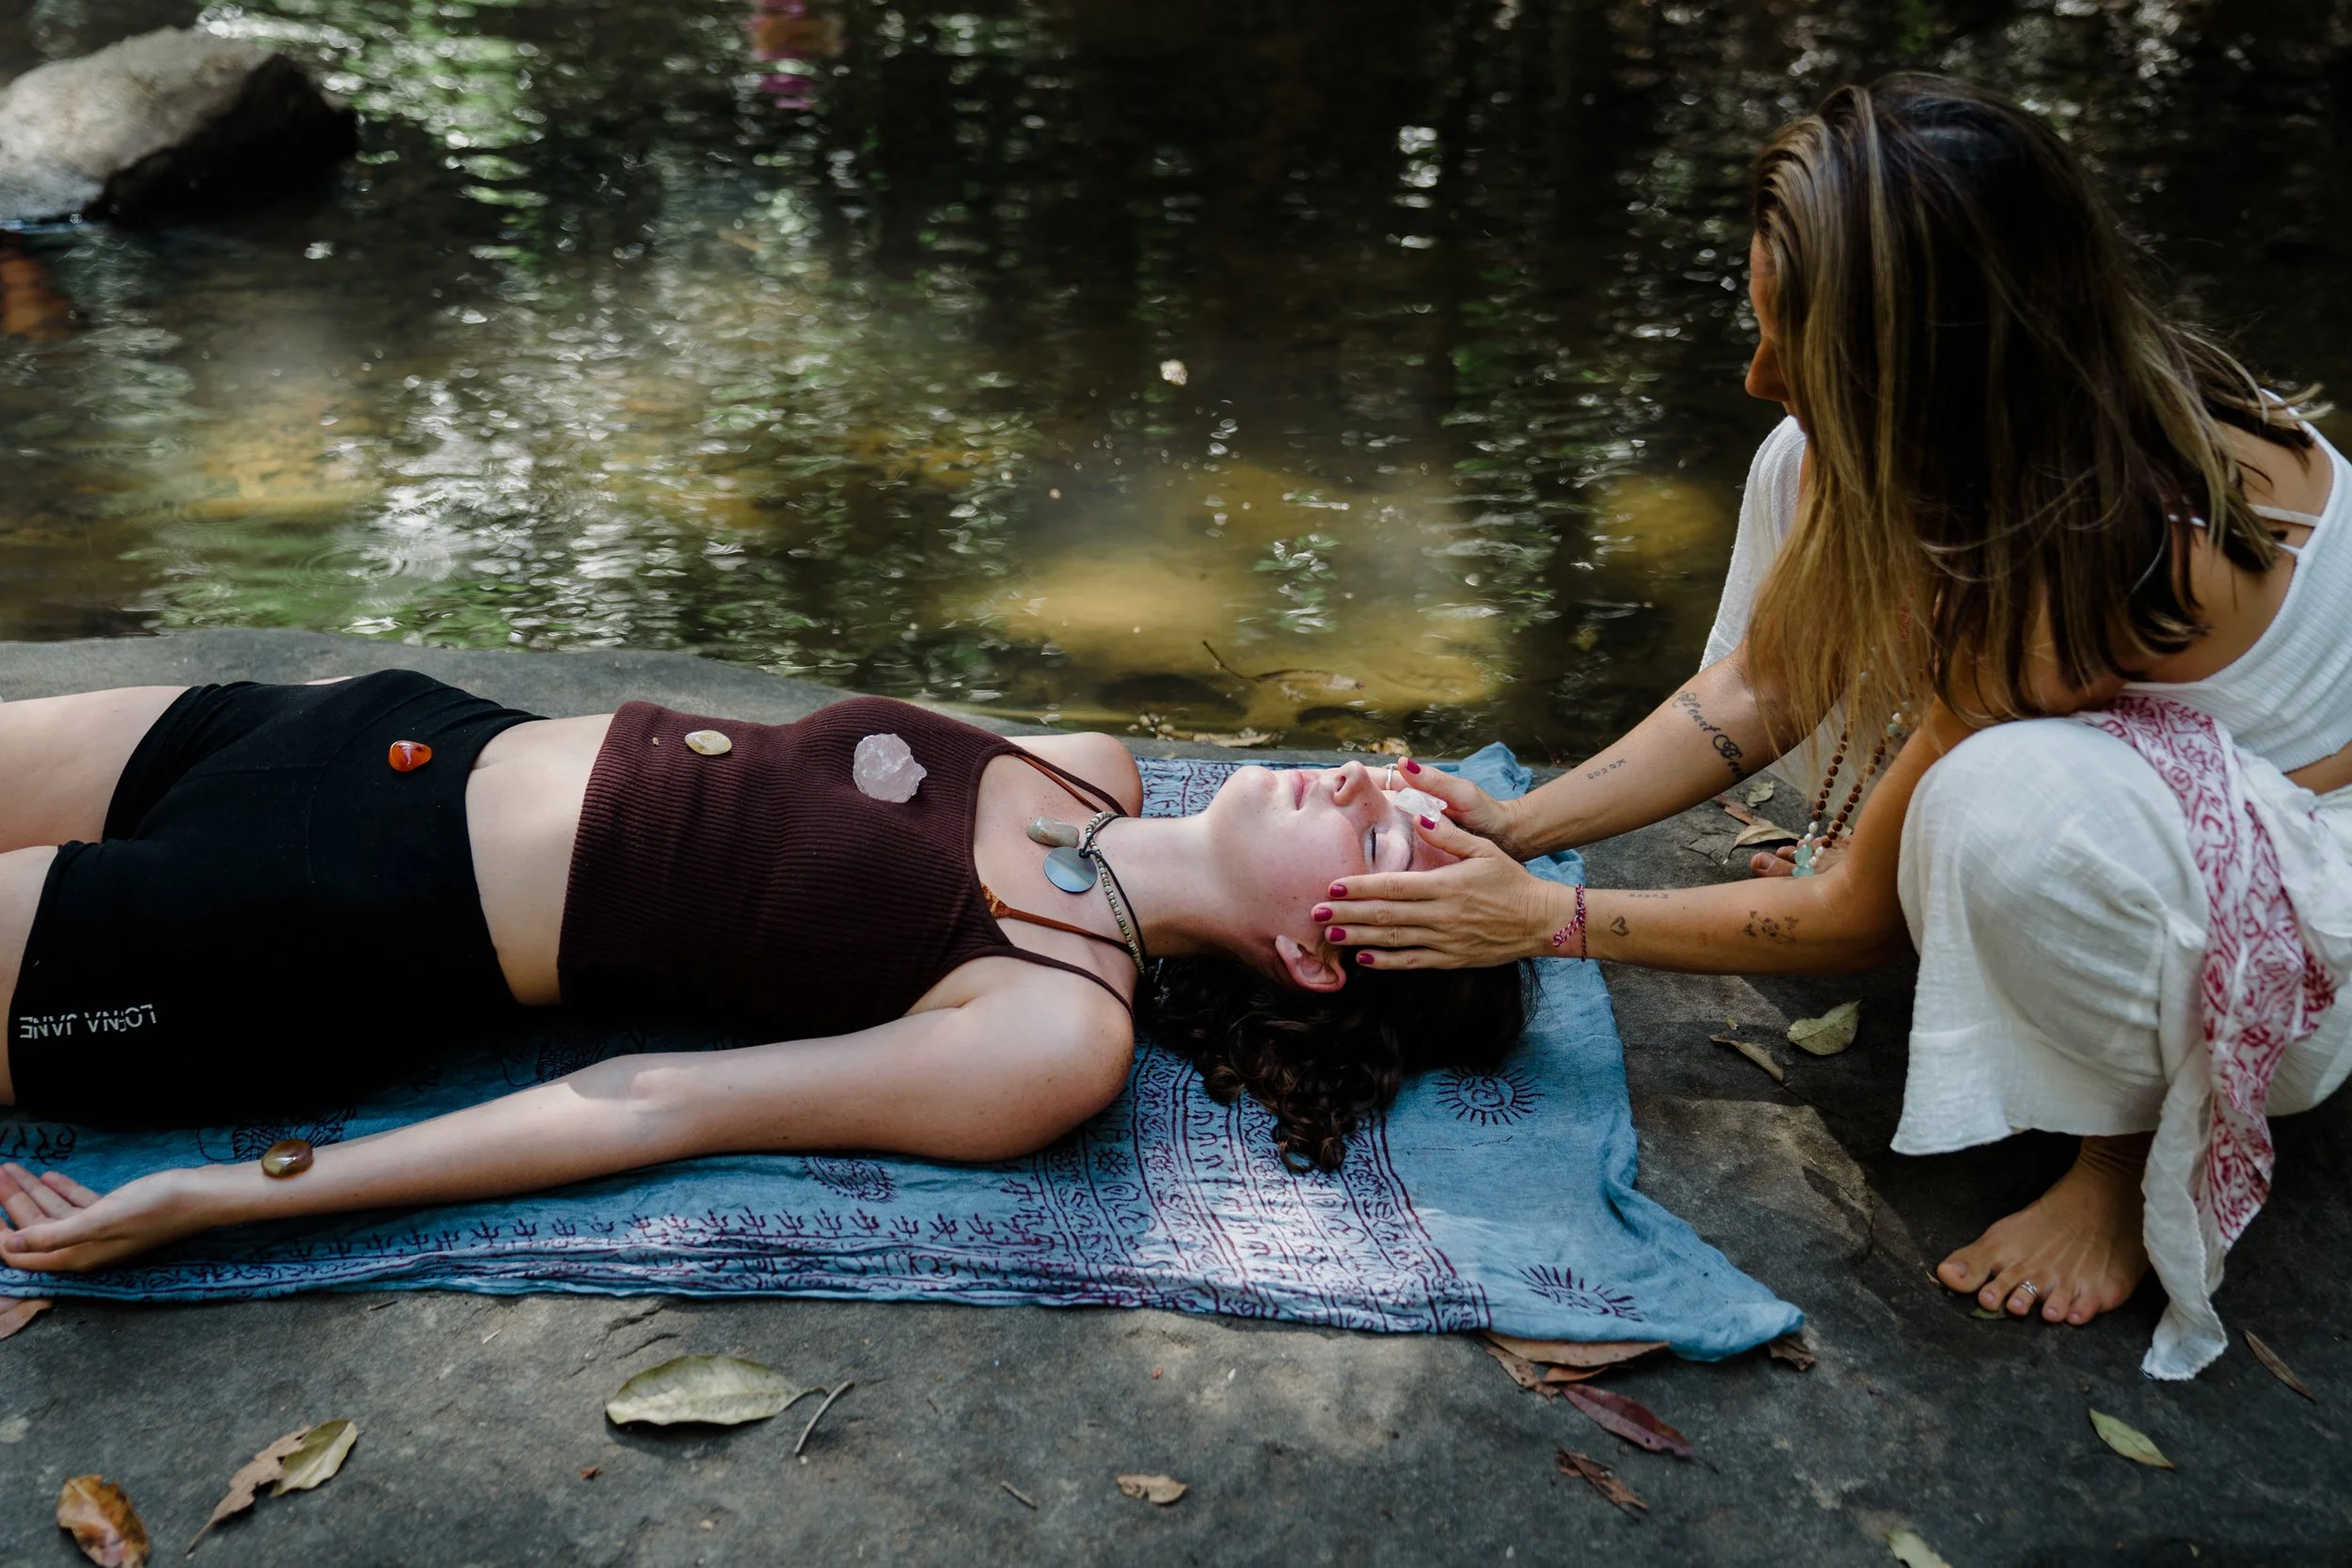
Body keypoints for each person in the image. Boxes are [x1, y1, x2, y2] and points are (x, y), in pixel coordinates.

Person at [1313, 74, 2352, 1378]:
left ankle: (2131, 1160)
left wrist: (1548, 919)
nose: (1753, 375)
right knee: (1801, 470)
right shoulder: (2020, 399)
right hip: (2143, 784)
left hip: (2295, 912)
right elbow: (1769, 682)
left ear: (1928, 362)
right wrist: (1524, 822)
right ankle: (1957, 871)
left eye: (1786, 343)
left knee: (2001, 808)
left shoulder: (2095, 535)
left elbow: (1851, 921)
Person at [0, 670, 1527, 1273]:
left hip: (307, 926)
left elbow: (649, 1103)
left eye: (1390, 846)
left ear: (1317, 960)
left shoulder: (1058, 1027)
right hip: (364, 728)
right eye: (1404, 788)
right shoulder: (1092, 764)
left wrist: (221, 1192)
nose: (1364, 786)